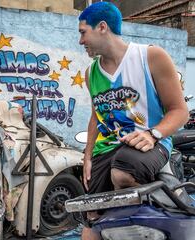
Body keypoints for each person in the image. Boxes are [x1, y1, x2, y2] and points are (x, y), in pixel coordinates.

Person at [78, 2, 188, 240]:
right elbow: (97, 116)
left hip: (148, 144)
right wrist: (87, 156)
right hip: (105, 149)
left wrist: (153, 134)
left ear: (102, 27)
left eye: (83, 32)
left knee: (122, 172)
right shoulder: (91, 73)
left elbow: (179, 111)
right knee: (91, 216)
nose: (80, 41)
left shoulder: (151, 56)